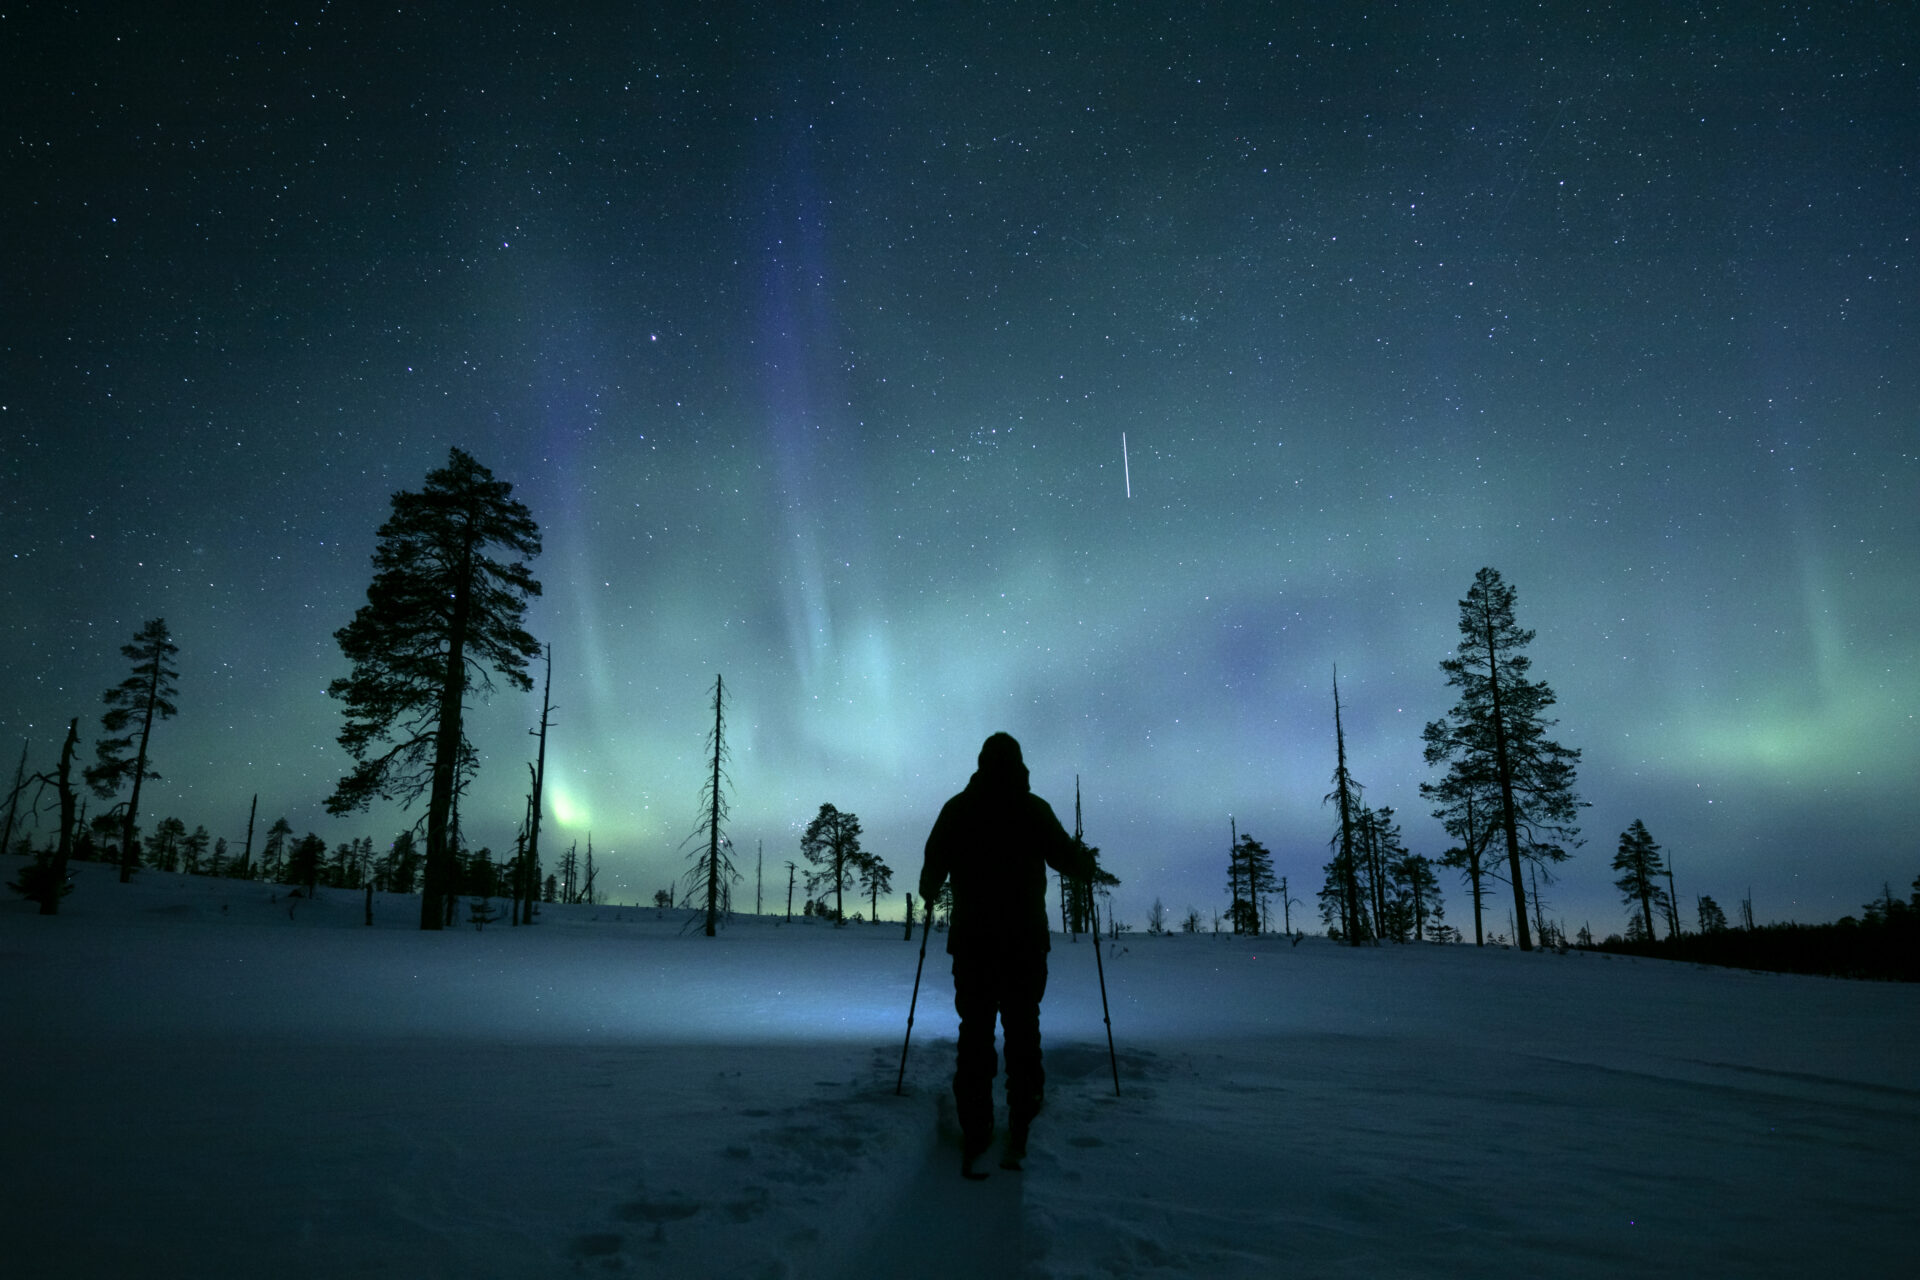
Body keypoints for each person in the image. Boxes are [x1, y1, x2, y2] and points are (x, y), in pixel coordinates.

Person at [919, 732, 1094, 1179]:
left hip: (974, 944)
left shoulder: (959, 809)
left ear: (981, 763)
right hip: (1024, 944)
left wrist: (931, 886)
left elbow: (931, 870)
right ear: (1019, 765)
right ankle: (1023, 1113)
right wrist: (1083, 864)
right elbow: (1066, 858)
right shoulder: (1033, 810)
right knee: (1022, 1029)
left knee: (975, 1032)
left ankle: (976, 1125)